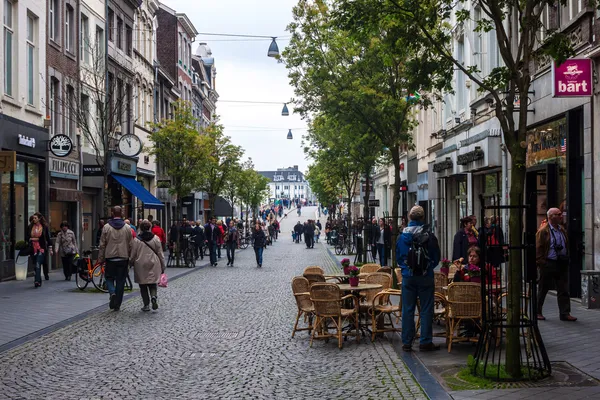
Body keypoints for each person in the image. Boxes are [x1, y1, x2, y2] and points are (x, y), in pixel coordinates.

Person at [396, 205, 441, 352]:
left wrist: (406, 269)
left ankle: (407, 342)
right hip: (425, 277)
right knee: (426, 309)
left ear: (409, 217)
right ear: (423, 218)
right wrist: (427, 268)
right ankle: (425, 341)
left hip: (408, 276)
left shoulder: (402, 236)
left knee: (408, 309)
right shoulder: (429, 235)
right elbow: (436, 258)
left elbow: (398, 257)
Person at [536, 207, 577, 322]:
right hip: (548, 263)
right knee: (543, 289)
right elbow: (538, 249)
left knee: (563, 289)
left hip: (561, 263)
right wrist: (542, 263)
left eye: (561, 214)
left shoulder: (561, 229)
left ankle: (565, 313)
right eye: (558, 214)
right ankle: (537, 312)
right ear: (550, 217)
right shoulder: (543, 231)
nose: (561, 216)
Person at [98, 206, 133, 311]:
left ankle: (112, 292)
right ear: (121, 214)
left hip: (110, 258)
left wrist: (100, 259)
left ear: (112, 213)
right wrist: (130, 258)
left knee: (109, 278)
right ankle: (117, 303)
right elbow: (131, 244)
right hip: (123, 258)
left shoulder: (106, 227)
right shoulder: (127, 228)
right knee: (121, 281)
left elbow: (102, 245)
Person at [129, 219, 165, 312]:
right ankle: (153, 296)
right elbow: (160, 253)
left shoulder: (137, 240)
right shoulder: (156, 238)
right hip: (154, 263)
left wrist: (130, 262)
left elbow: (133, 253)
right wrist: (163, 265)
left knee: (143, 285)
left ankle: (146, 305)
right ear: (150, 227)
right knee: (153, 283)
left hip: (140, 264)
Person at [26, 213, 53, 287]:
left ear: (39, 219)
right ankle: (39, 280)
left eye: (35, 218)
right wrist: (31, 239)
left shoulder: (44, 227)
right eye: (33, 218)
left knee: (38, 263)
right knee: (35, 265)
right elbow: (27, 237)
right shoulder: (30, 227)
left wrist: (50, 249)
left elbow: (47, 238)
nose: (33, 219)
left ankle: (36, 281)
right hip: (33, 248)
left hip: (41, 248)